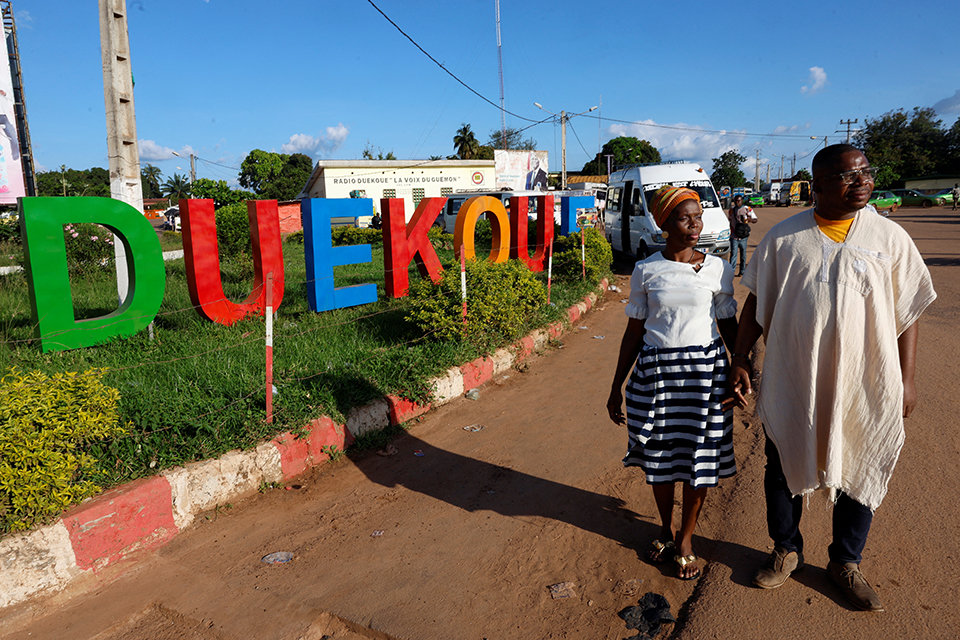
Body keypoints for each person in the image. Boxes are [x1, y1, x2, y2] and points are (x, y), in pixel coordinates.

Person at [728, 144, 936, 612]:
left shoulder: (891, 238)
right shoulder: (784, 239)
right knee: (782, 468)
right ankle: (786, 551)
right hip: (794, 375)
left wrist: (906, 379)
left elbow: (908, 315)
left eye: (864, 172)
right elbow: (755, 304)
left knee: (859, 460)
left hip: (865, 381)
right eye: (846, 176)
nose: (861, 181)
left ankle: (846, 562)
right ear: (817, 186)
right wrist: (740, 358)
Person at [607, 185, 739, 581]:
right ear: (664, 223)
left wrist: (741, 367)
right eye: (685, 217)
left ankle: (686, 538)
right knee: (661, 460)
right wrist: (616, 385)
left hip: (705, 376)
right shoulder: (646, 269)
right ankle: (664, 528)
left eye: (698, 216)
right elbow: (634, 332)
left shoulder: (717, 268)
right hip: (657, 376)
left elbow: (728, 324)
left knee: (698, 460)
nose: (695, 224)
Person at [727, 195, 755, 276]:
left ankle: (742, 271)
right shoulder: (731, 210)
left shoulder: (747, 209)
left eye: (739, 201)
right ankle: (731, 273)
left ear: (742, 200)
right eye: (736, 201)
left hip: (743, 236)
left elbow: (755, 220)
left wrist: (749, 220)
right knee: (733, 255)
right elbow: (730, 221)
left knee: (743, 255)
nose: (737, 202)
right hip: (734, 236)